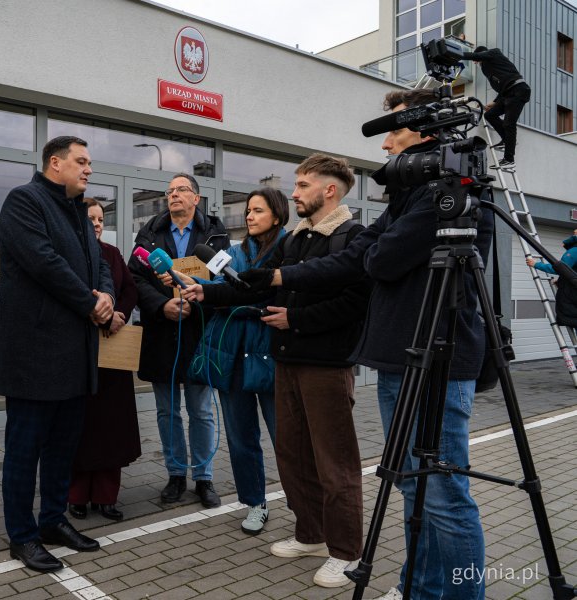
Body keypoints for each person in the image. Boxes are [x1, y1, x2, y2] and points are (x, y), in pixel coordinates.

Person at [222, 89, 493, 600]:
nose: (386, 142)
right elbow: (357, 259)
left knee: (443, 494)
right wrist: (276, 275)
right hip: (398, 356)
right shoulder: (410, 197)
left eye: (395, 129)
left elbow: (378, 262)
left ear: (428, 131)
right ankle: (422, 585)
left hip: (436, 357)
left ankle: (460, 592)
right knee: (415, 486)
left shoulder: (453, 190)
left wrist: (364, 261)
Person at [182, 155, 371, 587]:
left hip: (326, 365)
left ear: (330, 190)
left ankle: (346, 552)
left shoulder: (351, 236)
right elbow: (251, 283)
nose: (295, 192)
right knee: (293, 454)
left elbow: (357, 304)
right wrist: (205, 293)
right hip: (286, 360)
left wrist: (297, 320)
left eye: (303, 185)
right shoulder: (296, 239)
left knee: (334, 462)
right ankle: (311, 534)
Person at [0, 136, 115, 573]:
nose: (88, 170)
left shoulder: (79, 210)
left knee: (63, 449)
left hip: (75, 356)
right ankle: (22, 536)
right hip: (34, 357)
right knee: (24, 451)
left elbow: (98, 261)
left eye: (89, 163)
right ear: (54, 162)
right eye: (81, 161)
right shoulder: (24, 202)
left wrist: (104, 293)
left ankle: (51, 522)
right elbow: (44, 263)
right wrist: (90, 301)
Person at [182, 187, 288, 534]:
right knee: (241, 438)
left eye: (258, 211)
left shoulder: (291, 248)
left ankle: (305, 503)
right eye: (248, 211)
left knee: (285, 438)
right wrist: (197, 287)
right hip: (230, 356)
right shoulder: (230, 253)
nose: (249, 216)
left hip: (272, 356)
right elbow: (222, 294)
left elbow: (269, 295)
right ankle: (255, 503)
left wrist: (227, 298)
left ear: (277, 214)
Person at [128, 173, 230, 508]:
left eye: (181, 190)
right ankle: (175, 475)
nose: (173, 195)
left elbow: (226, 281)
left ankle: (203, 478)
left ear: (196, 198)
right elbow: (134, 279)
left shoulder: (215, 235)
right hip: (163, 333)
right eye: (170, 191)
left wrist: (203, 297)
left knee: (201, 410)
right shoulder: (149, 234)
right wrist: (162, 305)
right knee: (167, 411)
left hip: (200, 334)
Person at [67, 198, 141, 522]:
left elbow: (130, 289)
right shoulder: (68, 251)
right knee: (79, 429)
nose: (97, 224)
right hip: (79, 354)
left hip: (112, 356)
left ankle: (107, 497)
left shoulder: (112, 254)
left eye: (100, 219)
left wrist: (118, 314)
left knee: (112, 429)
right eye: (91, 218)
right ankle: (77, 497)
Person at [463, 45, 531, 170]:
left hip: (518, 91)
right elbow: (502, 87)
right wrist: (494, 103)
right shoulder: (488, 68)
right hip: (507, 94)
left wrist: (456, 55)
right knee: (490, 115)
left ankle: (509, 160)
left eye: (477, 60)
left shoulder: (494, 53)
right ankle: (506, 140)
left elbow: (478, 56)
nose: (475, 62)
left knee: (509, 124)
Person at [526, 229, 577, 328]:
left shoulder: (574, 251)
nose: (574, 233)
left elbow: (559, 268)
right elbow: (571, 272)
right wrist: (561, 281)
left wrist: (536, 264)